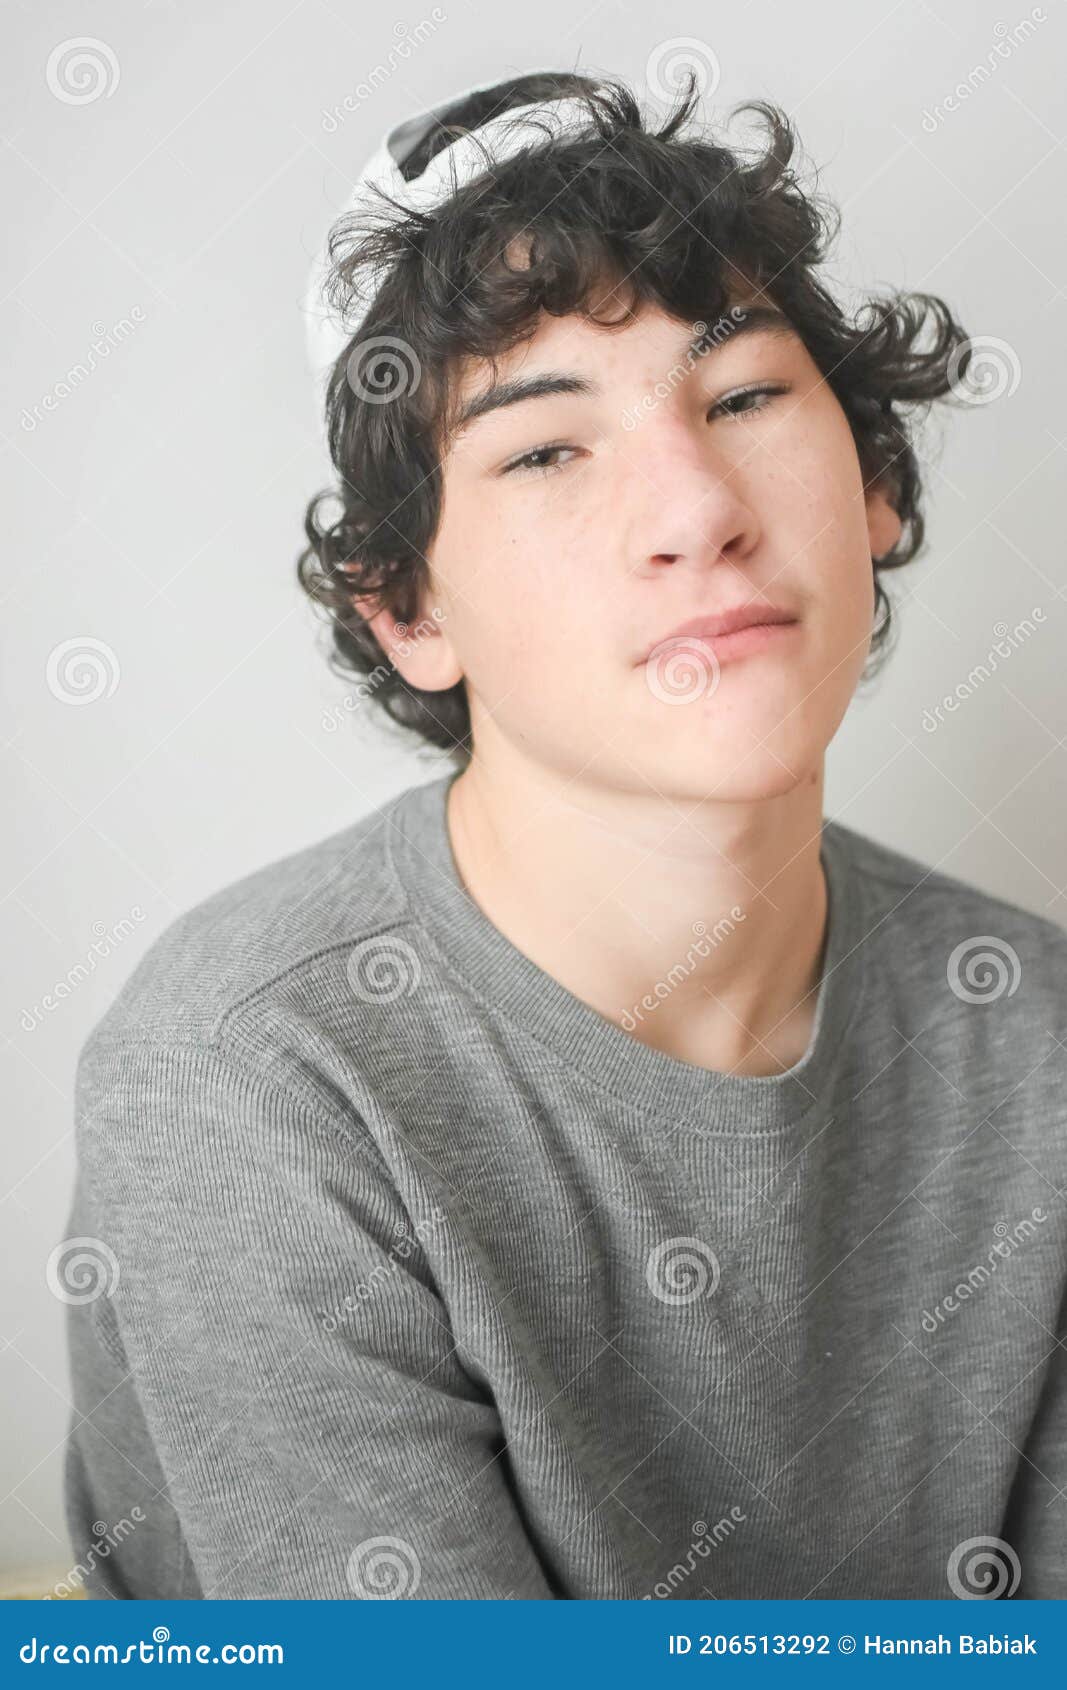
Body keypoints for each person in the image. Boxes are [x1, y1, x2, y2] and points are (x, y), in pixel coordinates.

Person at [62, 67, 1066, 1601]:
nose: (694, 508)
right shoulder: (245, 1076)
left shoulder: (1040, 1035)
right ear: (408, 610)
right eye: (543, 449)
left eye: (741, 398)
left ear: (872, 486)